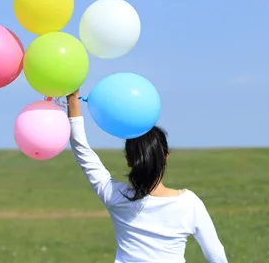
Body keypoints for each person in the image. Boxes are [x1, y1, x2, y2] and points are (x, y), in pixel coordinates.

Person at [66, 90, 228, 263]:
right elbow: (216, 256)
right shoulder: (189, 204)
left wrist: (73, 101)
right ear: (165, 157)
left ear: (129, 160)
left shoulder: (115, 196)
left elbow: (81, 149)